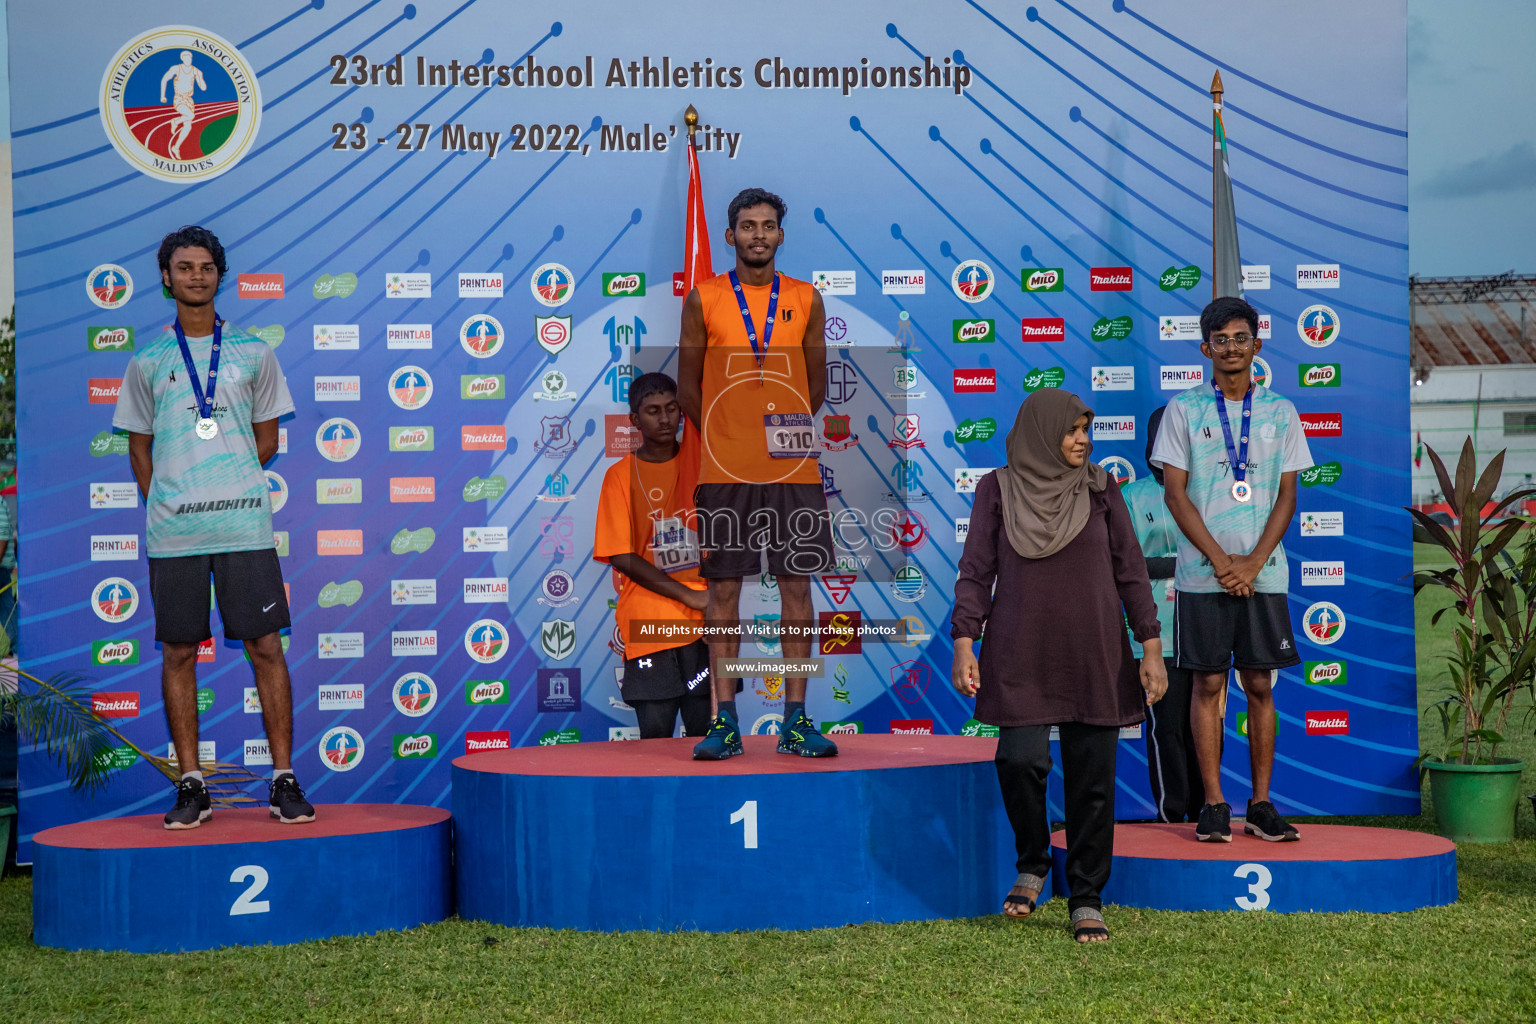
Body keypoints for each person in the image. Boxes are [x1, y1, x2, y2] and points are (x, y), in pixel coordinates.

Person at [114, 225, 313, 830]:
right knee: (178, 653)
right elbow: (139, 449)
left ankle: (283, 780)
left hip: (244, 529)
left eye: (205, 267)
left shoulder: (254, 352)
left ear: (218, 275)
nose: (195, 276)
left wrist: (224, 486)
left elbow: (268, 439)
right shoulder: (147, 361)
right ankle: (191, 785)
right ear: (166, 277)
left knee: (265, 648)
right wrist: (169, 501)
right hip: (175, 535)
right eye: (184, 267)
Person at [951, 389, 1167, 943]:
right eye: (1072, 431)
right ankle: (1033, 861)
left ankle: (1087, 896)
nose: (1082, 441)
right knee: (1019, 760)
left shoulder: (1101, 487)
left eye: (1086, 431)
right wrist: (963, 640)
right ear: (1042, 432)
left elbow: (1131, 570)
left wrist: (1149, 644)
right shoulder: (997, 489)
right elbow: (976, 570)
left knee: (1093, 781)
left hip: (1094, 652)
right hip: (1021, 651)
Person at [678, 187, 837, 759]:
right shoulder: (703, 298)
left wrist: (783, 432)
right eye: (748, 226)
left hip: (792, 467)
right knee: (723, 592)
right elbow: (688, 384)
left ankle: (795, 720)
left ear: (781, 235)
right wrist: (728, 435)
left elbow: (816, 383)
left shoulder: (806, 298)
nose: (759, 235)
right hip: (724, 470)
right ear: (731, 236)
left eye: (769, 226)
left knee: (797, 588)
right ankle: (726, 722)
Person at [1151, 295, 1314, 843]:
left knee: (1261, 684)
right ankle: (1215, 805)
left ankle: (1262, 804)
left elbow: (1288, 497)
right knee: (1206, 684)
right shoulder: (1183, 410)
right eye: (1220, 340)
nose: (1231, 348)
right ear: (1205, 348)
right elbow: (1175, 495)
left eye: (1240, 338)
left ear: (1256, 345)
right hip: (1203, 576)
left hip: (1263, 574)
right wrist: (1223, 562)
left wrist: (1252, 561)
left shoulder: (1281, 411)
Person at [593, 372, 713, 739]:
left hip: (704, 627)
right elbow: (621, 556)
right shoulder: (619, 476)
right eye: (652, 411)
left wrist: (714, 602)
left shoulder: (703, 467)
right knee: (656, 746)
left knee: (708, 743)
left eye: (672, 408)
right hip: (650, 628)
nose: (664, 419)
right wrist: (690, 595)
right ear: (634, 419)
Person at [1121, 406, 1210, 823]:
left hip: (1208, 625)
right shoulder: (1131, 497)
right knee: (1168, 729)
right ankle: (1173, 815)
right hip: (1160, 635)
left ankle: (1209, 809)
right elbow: (1126, 567)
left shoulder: (1213, 490)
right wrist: (1189, 564)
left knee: (1206, 729)